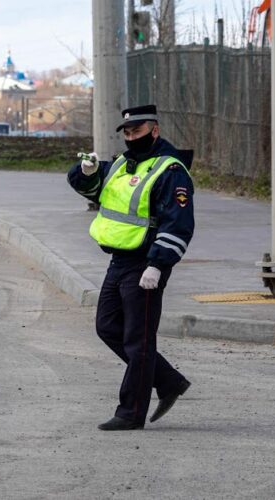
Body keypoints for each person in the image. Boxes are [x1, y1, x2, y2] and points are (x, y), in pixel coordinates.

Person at [68, 104, 193, 431]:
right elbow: (96, 192)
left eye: (137, 131)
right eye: (126, 133)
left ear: (154, 130)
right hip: (120, 260)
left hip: (147, 262)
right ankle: (167, 381)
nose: (130, 137)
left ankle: (130, 413)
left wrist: (157, 266)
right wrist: (87, 171)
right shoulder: (124, 164)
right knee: (107, 326)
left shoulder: (170, 170)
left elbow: (178, 224)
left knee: (139, 340)